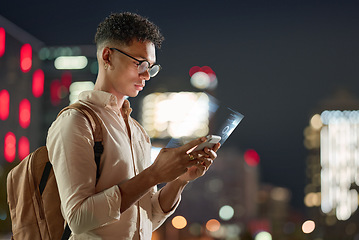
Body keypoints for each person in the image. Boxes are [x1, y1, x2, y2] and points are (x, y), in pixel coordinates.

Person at [46, 12, 220, 240]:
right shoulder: (76, 121)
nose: (147, 75)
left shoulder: (137, 131)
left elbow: (146, 219)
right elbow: (78, 218)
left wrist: (179, 180)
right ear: (107, 56)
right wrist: (154, 174)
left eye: (152, 67)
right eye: (140, 64)